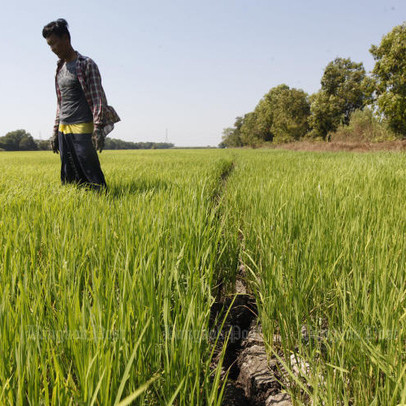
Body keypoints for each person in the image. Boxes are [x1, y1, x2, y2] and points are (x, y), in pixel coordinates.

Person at [42, 18, 120, 190]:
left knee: (90, 170)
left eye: (54, 43)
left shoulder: (86, 64)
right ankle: (78, 203)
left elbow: (97, 97)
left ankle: (102, 202)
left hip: (82, 126)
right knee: (69, 174)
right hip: (64, 128)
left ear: (66, 39)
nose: (52, 49)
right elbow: (60, 103)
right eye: (49, 45)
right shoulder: (59, 68)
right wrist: (55, 131)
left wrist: (98, 127)